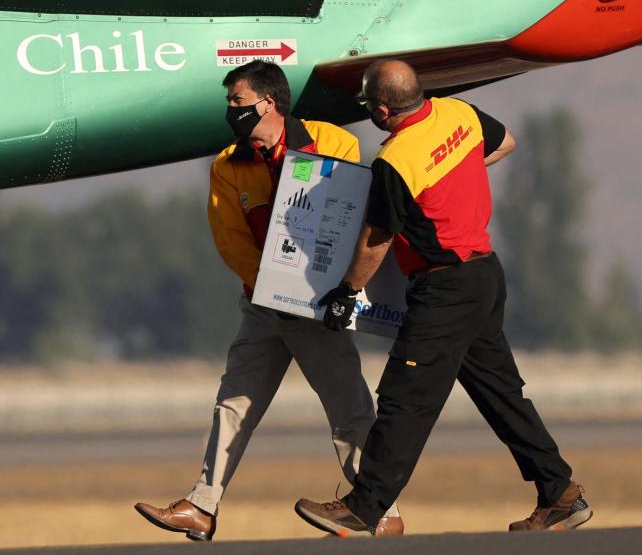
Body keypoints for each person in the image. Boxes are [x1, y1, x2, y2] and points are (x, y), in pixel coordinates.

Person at [293, 59, 589, 537]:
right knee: (501, 397)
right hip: (484, 276)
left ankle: (364, 508)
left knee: (405, 398)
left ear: (383, 109)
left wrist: (347, 292)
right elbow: (506, 142)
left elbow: (377, 239)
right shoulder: (459, 114)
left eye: (369, 105)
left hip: (445, 289)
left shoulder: (396, 159)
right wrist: (451, 175)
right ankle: (560, 493)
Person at [135, 59, 402, 541]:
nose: (230, 110)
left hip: (317, 303)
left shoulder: (332, 141)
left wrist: (308, 291)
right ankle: (202, 505)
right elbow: (229, 238)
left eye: (236, 101)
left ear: (268, 102)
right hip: (263, 302)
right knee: (234, 401)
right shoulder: (226, 164)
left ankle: (381, 512)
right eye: (229, 103)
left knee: (347, 406)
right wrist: (271, 285)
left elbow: (344, 215)